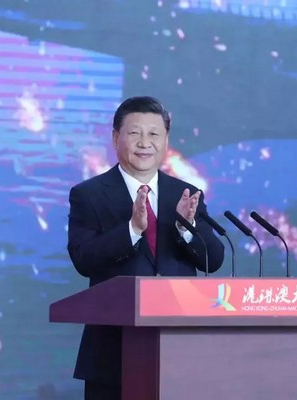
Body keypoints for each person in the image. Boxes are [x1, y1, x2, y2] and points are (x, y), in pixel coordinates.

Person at [66, 96, 225, 400]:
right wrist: (132, 230)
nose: (144, 143)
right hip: (113, 354)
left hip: (180, 349)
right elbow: (83, 259)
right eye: (135, 133)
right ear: (116, 138)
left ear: (165, 141)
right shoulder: (88, 194)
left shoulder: (185, 194)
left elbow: (213, 260)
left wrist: (185, 228)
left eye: (154, 134)